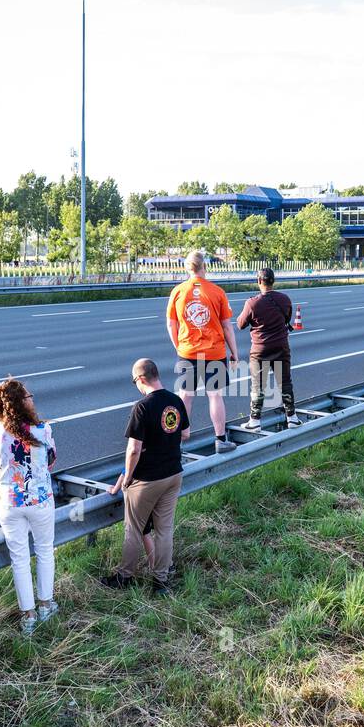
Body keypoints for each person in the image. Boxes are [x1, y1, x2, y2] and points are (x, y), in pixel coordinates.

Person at [102, 359, 190, 594]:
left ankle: (124, 577)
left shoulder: (143, 407)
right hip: (173, 474)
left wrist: (128, 478)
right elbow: (186, 433)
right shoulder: (175, 401)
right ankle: (160, 582)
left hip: (147, 479)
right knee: (164, 530)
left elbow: (133, 449)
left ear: (141, 379)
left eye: (134, 382)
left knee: (133, 529)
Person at [0, 378, 58, 636]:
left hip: (9, 502)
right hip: (39, 500)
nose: (32, 399)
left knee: (19, 559)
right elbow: (51, 462)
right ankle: (46, 605)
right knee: (45, 551)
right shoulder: (43, 430)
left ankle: (28, 615)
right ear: (21, 402)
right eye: (29, 396)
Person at [167, 251, 238, 453]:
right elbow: (227, 327)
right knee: (215, 395)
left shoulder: (178, 291)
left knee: (185, 396)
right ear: (204, 266)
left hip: (187, 351)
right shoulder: (217, 292)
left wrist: (179, 346)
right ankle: (220, 439)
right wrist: (234, 353)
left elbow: (171, 324)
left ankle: (177, 444)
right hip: (214, 352)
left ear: (187, 268)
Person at [236, 266, 300, 429]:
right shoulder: (285, 299)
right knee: (285, 381)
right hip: (281, 346)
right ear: (273, 281)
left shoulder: (252, 303)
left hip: (260, 349)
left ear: (258, 281)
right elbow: (287, 317)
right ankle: (291, 417)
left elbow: (240, 324)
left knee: (258, 384)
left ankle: (255, 420)